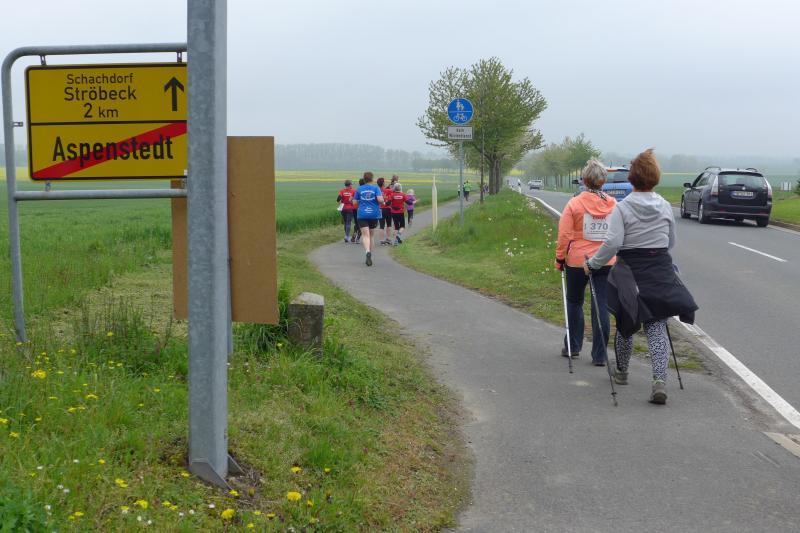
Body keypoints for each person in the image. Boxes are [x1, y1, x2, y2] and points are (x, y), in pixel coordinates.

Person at [586, 149, 697, 405]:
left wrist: (593, 264)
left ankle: (622, 372)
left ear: (633, 178)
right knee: (657, 326)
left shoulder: (622, 208)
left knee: (626, 323)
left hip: (630, 272)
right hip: (659, 270)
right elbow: (670, 242)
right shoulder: (664, 206)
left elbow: (613, 243)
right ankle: (659, 381)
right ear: (655, 177)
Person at [554, 159, 617, 366]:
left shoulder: (574, 203)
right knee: (601, 305)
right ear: (603, 181)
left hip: (577, 261)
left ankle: (572, 346)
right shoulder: (613, 204)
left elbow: (564, 235)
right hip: (605, 260)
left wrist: (560, 258)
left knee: (574, 301)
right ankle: (600, 354)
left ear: (584, 180)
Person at [353, 172, 384, 266]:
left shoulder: (359, 189)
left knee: (365, 235)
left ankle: (367, 252)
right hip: (373, 214)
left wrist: (362, 201)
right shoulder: (376, 188)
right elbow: (380, 200)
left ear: (364, 179)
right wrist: (382, 201)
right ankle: (370, 254)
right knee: (371, 235)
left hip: (362, 214)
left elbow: (354, 202)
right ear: (372, 179)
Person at [376, 177, 393, 245]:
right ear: (383, 183)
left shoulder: (376, 190)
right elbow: (392, 197)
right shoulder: (388, 190)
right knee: (389, 225)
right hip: (388, 209)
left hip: (379, 209)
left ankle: (382, 240)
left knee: (381, 225)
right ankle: (388, 239)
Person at [352, 177, 365, 244]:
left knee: (356, 223)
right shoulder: (364, 190)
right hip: (361, 208)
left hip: (354, 208)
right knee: (362, 224)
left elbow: (351, 199)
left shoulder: (356, 190)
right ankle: (358, 238)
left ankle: (354, 234)